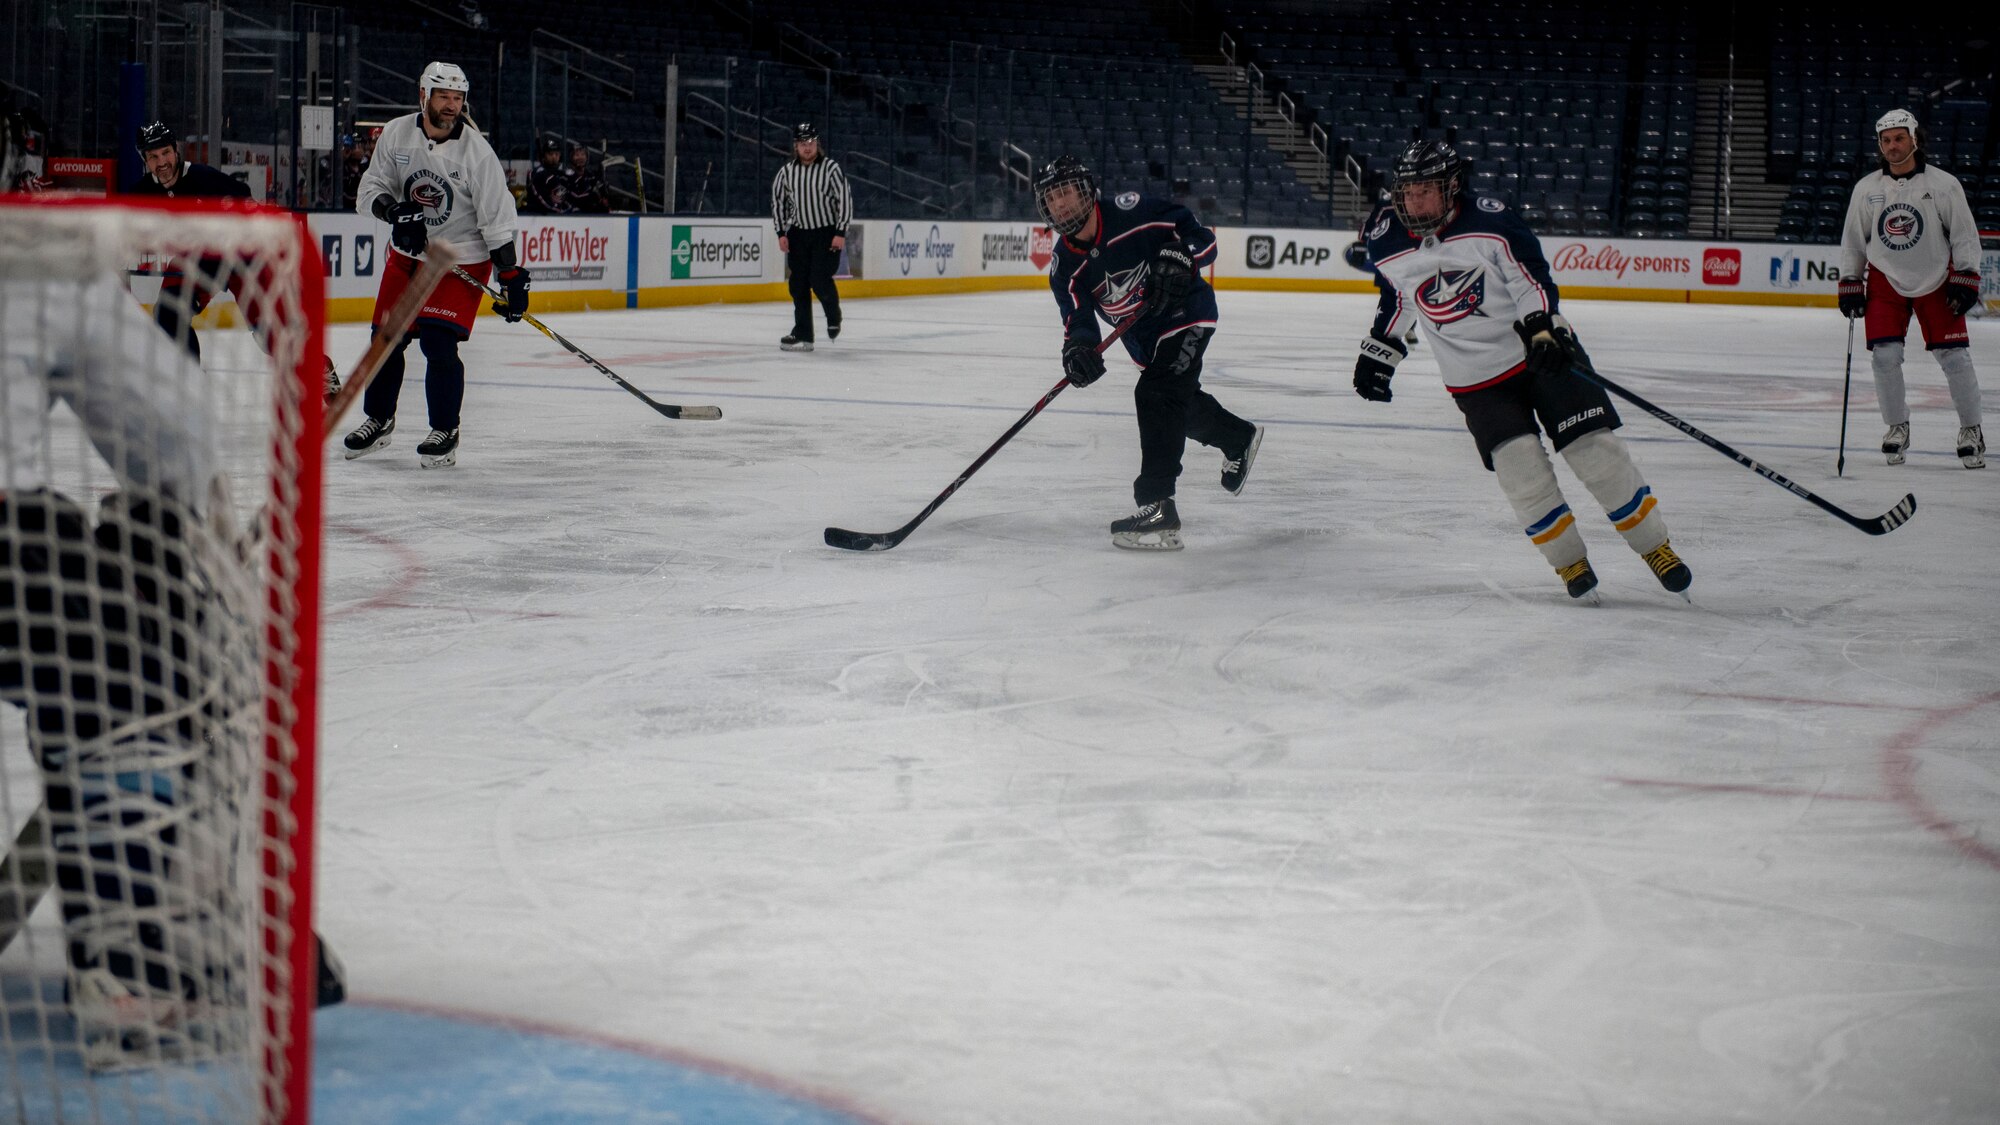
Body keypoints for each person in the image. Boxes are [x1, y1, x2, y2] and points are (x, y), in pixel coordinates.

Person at [1, 230, 346, 1066]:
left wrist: (196, 534)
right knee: (99, 607)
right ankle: (136, 939)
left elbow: (166, 428)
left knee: (143, 598)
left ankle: (150, 931)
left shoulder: (37, 262)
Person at [1353, 140, 1691, 603]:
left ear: (1453, 188)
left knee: (1597, 452)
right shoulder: (1384, 233)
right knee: (1520, 471)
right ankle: (1569, 561)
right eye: (1407, 192)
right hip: (1473, 378)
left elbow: (1531, 278)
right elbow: (1399, 294)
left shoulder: (1491, 221)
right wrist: (1381, 348)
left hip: (1537, 353)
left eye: (1425, 191)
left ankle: (1656, 547)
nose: (1414, 202)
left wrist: (1542, 330)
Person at [1034, 155, 1262, 551]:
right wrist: (1079, 350)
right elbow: (1078, 320)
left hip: (1188, 314)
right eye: (1052, 198)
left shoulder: (1136, 213)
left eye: (1067, 191)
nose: (1061, 204)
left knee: (1156, 394)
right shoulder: (1063, 267)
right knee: (1177, 403)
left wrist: (1181, 256)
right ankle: (1238, 437)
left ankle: (1158, 506)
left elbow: (1202, 241)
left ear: (1086, 190)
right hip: (1144, 340)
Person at [345, 61, 527, 469]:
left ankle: (445, 429)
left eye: (458, 97)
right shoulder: (396, 133)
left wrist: (511, 276)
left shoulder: (477, 153)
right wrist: (396, 213)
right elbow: (369, 191)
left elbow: (497, 219)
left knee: (438, 343)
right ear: (423, 95)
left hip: (459, 257)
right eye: (443, 96)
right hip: (408, 257)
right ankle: (379, 419)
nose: (451, 105)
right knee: (385, 339)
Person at [125, 120, 343, 404]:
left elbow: (247, 204)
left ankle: (319, 368)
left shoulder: (205, 178)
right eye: (152, 157)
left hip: (242, 259)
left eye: (165, 153)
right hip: (196, 262)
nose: (161, 162)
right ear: (145, 160)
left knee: (271, 339)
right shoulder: (142, 193)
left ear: (176, 151)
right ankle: (191, 388)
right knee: (168, 313)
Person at [1838, 109, 1985, 469]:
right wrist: (1851, 279)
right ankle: (1896, 427)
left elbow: (1965, 233)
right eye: (1886, 140)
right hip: (1886, 280)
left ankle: (1971, 430)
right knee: (1884, 357)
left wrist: (1966, 275)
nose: (1892, 146)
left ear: (1915, 139)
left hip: (1936, 277)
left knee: (1954, 357)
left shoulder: (1943, 185)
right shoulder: (1867, 189)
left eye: (1899, 138)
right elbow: (1854, 240)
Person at [769, 123, 851, 351]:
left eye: (811, 143)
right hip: (798, 234)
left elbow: (844, 199)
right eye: (803, 144)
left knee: (819, 279)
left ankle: (833, 316)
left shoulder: (830, 168)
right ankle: (804, 333)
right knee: (798, 284)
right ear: (796, 146)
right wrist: (781, 232)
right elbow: (777, 201)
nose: (807, 148)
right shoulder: (786, 172)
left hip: (825, 233)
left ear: (817, 144)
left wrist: (840, 232)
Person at [526, 136, 570, 215]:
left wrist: (568, 209)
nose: (554, 157)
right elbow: (539, 198)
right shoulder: (536, 174)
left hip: (558, 217)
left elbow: (566, 197)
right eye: (550, 154)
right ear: (544, 156)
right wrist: (556, 210)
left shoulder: (562, 174)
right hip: (537, 216)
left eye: (556, 154)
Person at [565, 143, 609, 213]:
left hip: (591, 214)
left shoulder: (591, 175)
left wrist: (603, 194)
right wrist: (593, 194)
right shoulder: (567, 175)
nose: (580, 158)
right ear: (571, 158)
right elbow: (575, 198)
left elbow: (601, 193)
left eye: (583, 155)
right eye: (577, 155)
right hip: (572, 214)